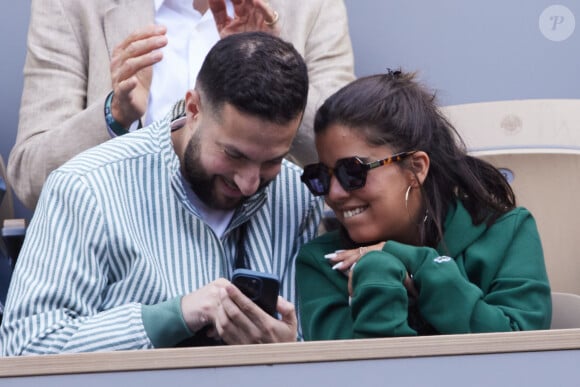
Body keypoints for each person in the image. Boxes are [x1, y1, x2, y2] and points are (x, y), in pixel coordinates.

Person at [0, 31, 323, 355]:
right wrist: (175, 316)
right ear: (194, 108)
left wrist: (289, 354)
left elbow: (327, 351)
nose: (249, 183)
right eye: (234, 155)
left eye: (272, 160)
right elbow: (25, 347)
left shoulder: (299, 198)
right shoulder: (86, 188)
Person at [8, 0, 355, 210]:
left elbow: (345, 159)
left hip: (268, 259)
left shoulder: (310, 6)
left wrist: (274, 63)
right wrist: (114, 115)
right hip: (121, 269)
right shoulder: (71, 6)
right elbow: (32, 178)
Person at [296, 71, 552, 340]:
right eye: (322, 177)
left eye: (352, 172)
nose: (334, 194)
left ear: (416, 168)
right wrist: (377, 275)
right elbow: (359, 376)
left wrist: (422, 266)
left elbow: (521, 353)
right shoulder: (324, 262)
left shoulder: (506, 233)